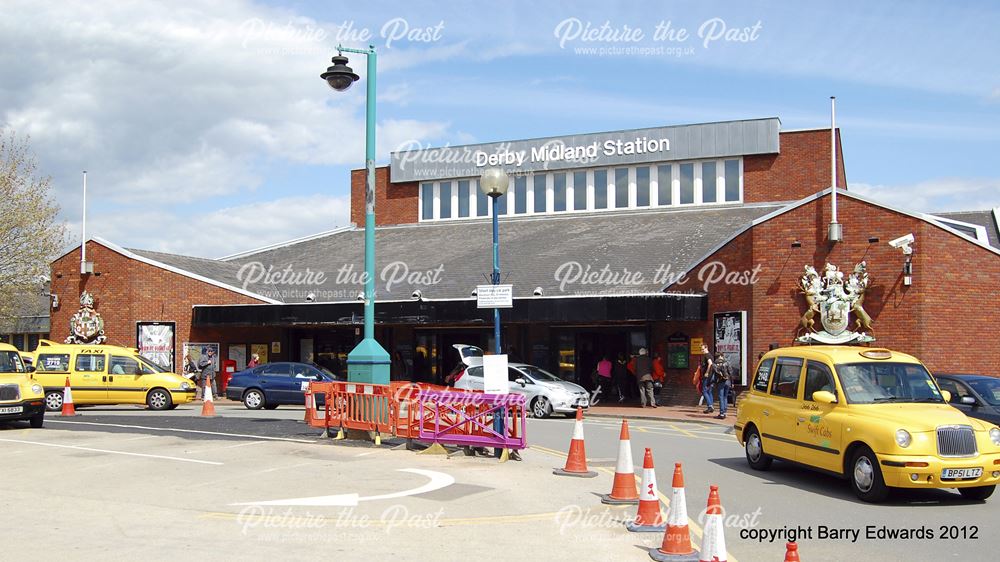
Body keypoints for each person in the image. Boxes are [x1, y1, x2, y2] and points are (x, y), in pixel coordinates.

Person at [712, 352, 734, 419]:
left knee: (721, 397)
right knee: (725, 397)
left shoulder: (715, 363)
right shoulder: (727, 362)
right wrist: (732, 382)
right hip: (728, 381)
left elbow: (715, 374)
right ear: (722, 356)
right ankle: (724, 412)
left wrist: (714, 383)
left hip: (721, 381)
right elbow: (731, 372)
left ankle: (721, 413)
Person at [700, 344, 716, 413]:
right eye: (701, 349)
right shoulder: (710, 355)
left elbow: (710, 363)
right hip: (711, 376)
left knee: (704, 390)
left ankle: (710, 406)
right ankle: (711, 406)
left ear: (706, 348)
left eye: (703, 349)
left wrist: (707, 372)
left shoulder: (707, 355)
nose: (702, 351)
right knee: (709, 391)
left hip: (708, 376)